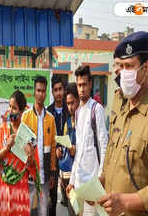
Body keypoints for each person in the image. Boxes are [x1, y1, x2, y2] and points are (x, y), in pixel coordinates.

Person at [98, 31, 148, 216]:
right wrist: (99, 186)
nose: (123, 73)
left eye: (129, 66)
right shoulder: (120, 108)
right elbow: (113, 162)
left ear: (146, 68)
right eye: (121, 66)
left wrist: (126, 202)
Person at [66, 65, 108, 216]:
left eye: (84, 84)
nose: (82, 89)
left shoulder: (96, 109)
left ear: (90, 84)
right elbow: (79, 151)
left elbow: (104, 146)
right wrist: (71, 181)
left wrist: (99, 181)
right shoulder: (77, 113)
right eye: (79, 85)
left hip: (92, 184)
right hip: (78, 184)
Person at [0, 90, 38, 216]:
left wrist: (30, 155)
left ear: (21, 111)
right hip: (3, 187)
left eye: (14, 108)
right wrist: (7, 148)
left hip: (20, 188)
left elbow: (33, 166)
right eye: (9, 107)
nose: (10, 110)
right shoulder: (2, 130)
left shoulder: (28, 134)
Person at [21, 76, 57, 216]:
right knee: (28, 210)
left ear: (46, 93)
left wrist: (53, 171)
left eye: (43, 91)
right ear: (34, 92)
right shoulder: (26, 117)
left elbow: (53, 148)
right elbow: (22, 146)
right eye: (38, 90)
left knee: (43, 211)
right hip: (30, 174)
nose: (41, 94)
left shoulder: (51, 118)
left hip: (46, 174)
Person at [46, 75, 69, 212]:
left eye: (60, 89)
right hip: (53, 163)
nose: (58, 93)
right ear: (52, 92)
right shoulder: (48, 112)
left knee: (71, 200)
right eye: (55, 90)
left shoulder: (70, 109)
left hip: (69, 161)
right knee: (52, 200)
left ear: (64, 90)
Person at [59, 83, 79, 216]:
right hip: (66, 174)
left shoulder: (84, 122)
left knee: (78, 210)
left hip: (79, 175)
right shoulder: (67, 123)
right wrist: (60, 150)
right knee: (71, 209)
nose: (70, 107)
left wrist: (76, 150)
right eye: (68, 103)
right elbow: (63, 143)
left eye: (73, 103)